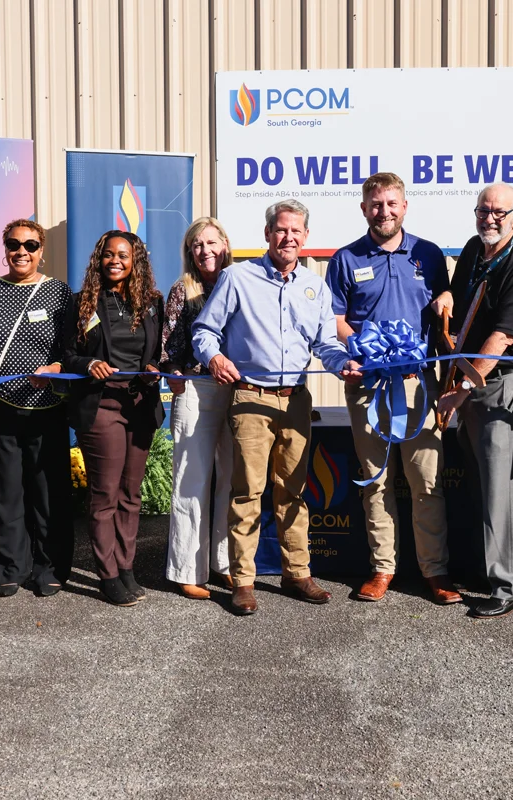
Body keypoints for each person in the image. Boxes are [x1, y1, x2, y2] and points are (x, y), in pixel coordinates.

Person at [192, 199, 362, 615]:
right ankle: (244, 581)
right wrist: (214, 358)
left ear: (306, 237)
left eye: (296, 231)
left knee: (293, 491)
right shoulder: (237, 278)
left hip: (296, 401)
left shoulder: (315, 286)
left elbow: (325, 344)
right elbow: (204, 331)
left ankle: (296, 573)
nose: (288, 237)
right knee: (247, 492)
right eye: (281, 230)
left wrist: (344, 364)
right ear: (267, 234)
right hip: (251, 397)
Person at [324, 172, 460, 605]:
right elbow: (336, 318)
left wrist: (446, 302)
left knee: (427, 482)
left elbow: (446, 303)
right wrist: (358, 347)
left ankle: (434, 572)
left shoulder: (428, 254)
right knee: (375, 481)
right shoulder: (345, 259)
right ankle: (383, 569)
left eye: (392, 204)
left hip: (418, 386)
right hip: (369, 386)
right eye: (376, 204)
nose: (385, 211)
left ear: (405, 206)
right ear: (364, 209)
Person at [434, 183, 513, 619]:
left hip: (499, 385)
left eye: (500, 212)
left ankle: (508, 585)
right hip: (470, 382)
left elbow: (500, 337)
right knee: (484, 482)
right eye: (483, 210)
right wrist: (446, 296)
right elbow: (462, 301)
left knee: (502, 487)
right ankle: (492, 569)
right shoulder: (475, 250)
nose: (490, 218)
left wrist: (458, 391)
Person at [0, 219, 74, 598]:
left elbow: (71, 350)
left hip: (49, 407)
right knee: (7, 492)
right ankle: (9, 567)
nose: (21, 252)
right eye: (14, 244)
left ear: (41, 250)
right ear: (5, 247)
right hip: (5, 408)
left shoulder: (59, 293)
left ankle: (50, 567)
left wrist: (58, 368)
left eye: (30, 245)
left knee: (49, 493)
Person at [63, 230, 164, 607]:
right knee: (105, 494)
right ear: (99, 259)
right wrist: (90, 363)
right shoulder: (83, 303)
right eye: (108, 254)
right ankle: (106, 574)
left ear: (136, 260)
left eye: (124, 255)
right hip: (101, 407)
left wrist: (156, 366)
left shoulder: (151, 302)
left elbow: (159, 352)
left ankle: (126, 567)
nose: (115, 260)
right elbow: (68, 355)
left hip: (139, 406)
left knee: (131, 494)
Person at [161, 217, 234, 599]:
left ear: (225, 243)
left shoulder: (240, 281)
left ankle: (223, 564)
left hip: (237, 391)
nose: (205, 251)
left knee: (231, 482)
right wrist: (173, 370)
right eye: (196, 245)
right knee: (192, 482)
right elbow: (168, 347)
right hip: (195, 390)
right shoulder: (182, 290)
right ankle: (186, 569)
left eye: (210, 242)